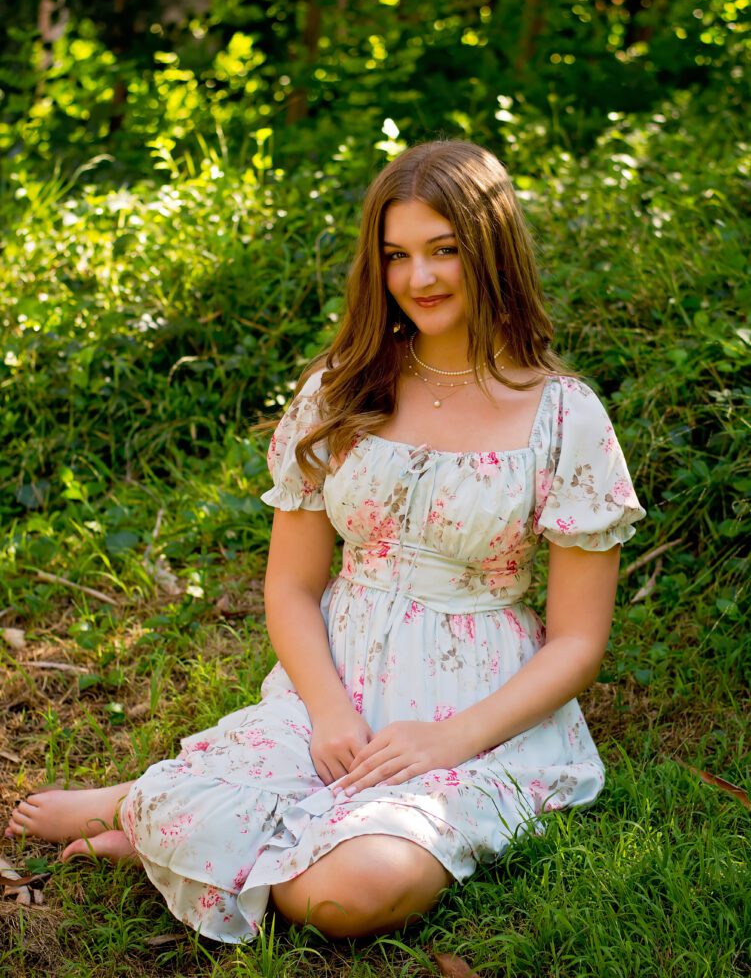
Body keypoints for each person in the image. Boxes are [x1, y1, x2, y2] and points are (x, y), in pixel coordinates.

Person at [5, 139, 645, 942]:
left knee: (347, 893)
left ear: (492, 251)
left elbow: (579, 641)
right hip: (337, 676)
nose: (420, 278)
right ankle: (142, 806)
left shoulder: (564, 417)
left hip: (484, 705)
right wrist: (330, 712)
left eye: (445, 250)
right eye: (397, 255)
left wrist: (447, 738)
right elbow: (292, 586)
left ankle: (154, 821)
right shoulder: (340, 390)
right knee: (296, 791)